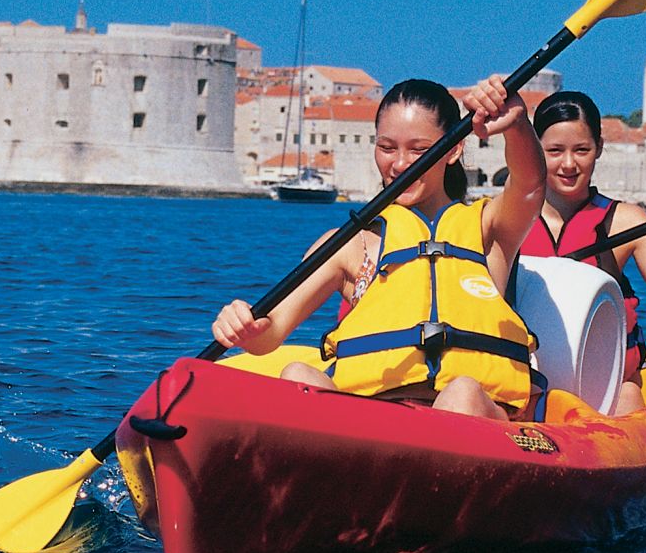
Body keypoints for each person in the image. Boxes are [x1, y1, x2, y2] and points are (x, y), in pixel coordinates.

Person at [211, 75, 545, 419]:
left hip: (472, 415)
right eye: (386, 148)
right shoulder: (348, 245)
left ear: (454, 149)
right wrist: (246, 329)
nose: (399, 164)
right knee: (298, 375)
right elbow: (272, 332)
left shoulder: (489, 226)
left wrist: (516, 125)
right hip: (378, 422)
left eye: (418, 150)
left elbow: (530, 184)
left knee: (460, 393)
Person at [521, 90, 646, 414]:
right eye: (554, 151)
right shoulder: (510, 219)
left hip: (609, 388)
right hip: (528, 383)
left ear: (599, 149)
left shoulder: (626, 223)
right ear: (536, 150)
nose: (569, 163)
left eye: (582, 150)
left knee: (628, 398)